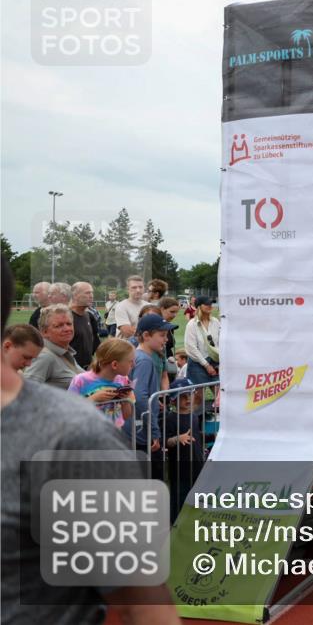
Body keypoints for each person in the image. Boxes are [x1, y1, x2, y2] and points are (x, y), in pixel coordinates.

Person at [1, 257, 182, 625]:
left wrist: (126, 404)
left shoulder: (71, 438)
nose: (68, 328)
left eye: (69, 322)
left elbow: (143, 603)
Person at [125, 314, 175, 472]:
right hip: (142, 432)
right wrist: (153, 431)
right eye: (162, 335)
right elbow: (139, 397)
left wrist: (154, 402)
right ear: (146, 335)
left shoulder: (136, 356)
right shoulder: (145, 360)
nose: (166, 339)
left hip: (135, 427)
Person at [68, 338, 137, 430]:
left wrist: (125, 401)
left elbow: (126, 416)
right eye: (130, 361)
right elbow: (68, 410)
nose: (134, 364)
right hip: (87, 435)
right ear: (115, 365)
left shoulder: (123, 380)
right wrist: (93, 398)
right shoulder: (81, 380)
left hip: (113, 434)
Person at [163, 377, 205, 522]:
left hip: (198, 464)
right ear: (174, 400)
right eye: (183, 397)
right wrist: (177, 439)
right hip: (181, 469)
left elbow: (197, 435)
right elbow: (165, 441)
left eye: (190, 395)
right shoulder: (170, 418)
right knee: (179, 499)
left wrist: (215, 435)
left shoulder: (194, 416)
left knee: (197, 497)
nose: (188, 399)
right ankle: (175, 526)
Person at [22, 304, 83, 389]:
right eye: (59, 326)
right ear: (44, 332)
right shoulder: (44, 356)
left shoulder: (64, 352)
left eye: (69, 324)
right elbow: (26, 392)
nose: (67, 329)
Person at [184, 297, 220, 386]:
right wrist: (206, 365)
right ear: (199, 306)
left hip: (214, 361)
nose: (210, 306)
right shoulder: (192, 324)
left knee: (218, 393)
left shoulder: (215, 322)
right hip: (197, 363)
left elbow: (220, 342)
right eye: (207, 304)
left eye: (210, 304)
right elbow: (191, 348)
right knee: (198, 395)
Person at [68, 281, 101, 368]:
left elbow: (96, 343)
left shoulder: (89, 316)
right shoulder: (66, 317)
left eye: (92, 293)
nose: (91, 296)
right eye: (87, 293)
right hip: (70, 369)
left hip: (87, 369)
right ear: (75, 295)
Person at [159, 297, 181, 382]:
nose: (174, 315)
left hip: (169, 364)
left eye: (176, 312)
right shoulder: (155, 326)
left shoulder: (170, 326)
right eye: (172, 312)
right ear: (162, 309)